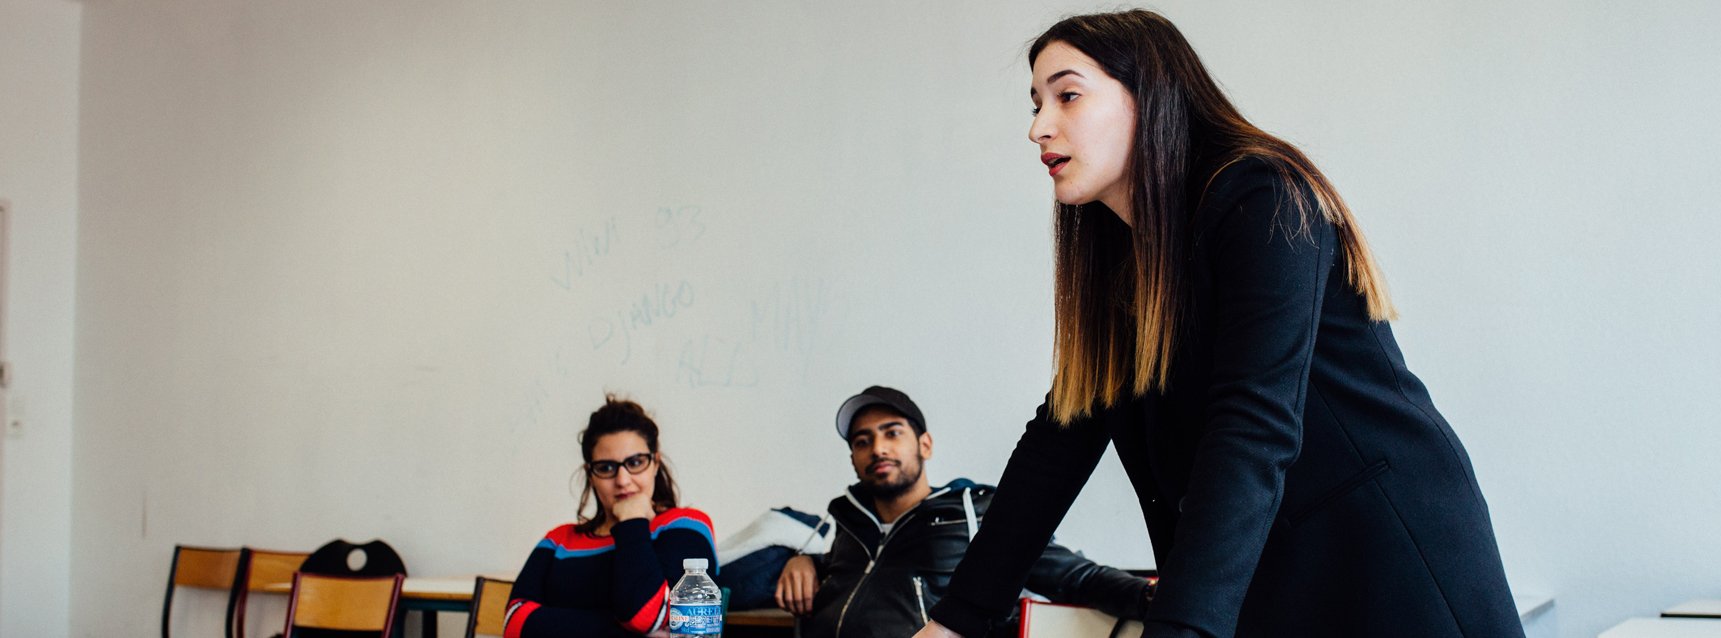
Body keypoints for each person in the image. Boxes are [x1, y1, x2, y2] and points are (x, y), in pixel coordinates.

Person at [913, 10, 1523, 638]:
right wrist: (956, 621)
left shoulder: (1261, 196)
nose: (1040, 126)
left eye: (1067, 95)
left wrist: (1181, 626)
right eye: (1036, 104)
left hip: (1380, 558)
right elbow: (1061, 438)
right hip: (1256, 570)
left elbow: (1253, 424)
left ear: (1148, 96)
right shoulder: (1123, 258)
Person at [778, 386, 1151, 637]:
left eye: (892, 433)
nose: (878, 448)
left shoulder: (974, 514)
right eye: (863, 441)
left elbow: (1076, 577)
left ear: (924, 445)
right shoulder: (849, 526)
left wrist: (1151, 598)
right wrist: (806, 561)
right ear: (853, 459)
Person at [504, 395, 717, 638]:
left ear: (655, 463)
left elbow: (646, 615)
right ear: (590, 474)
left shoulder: (686, 526)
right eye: (606, 468)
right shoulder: (559, 540)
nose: (623, 480)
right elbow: (515, 622)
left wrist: (632, 522)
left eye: (636, 462)